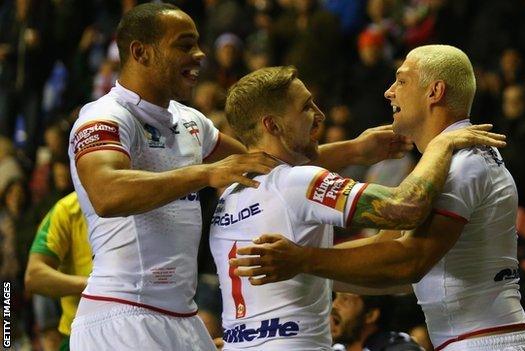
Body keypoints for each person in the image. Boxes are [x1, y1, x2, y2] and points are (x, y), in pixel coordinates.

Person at [67, 3, 426, 350]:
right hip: (121, 315)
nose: (200, 54)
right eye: (184, 45)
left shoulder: (191, 122)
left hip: (183, 318)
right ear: (140, 52)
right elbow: (106, 193)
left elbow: (269, 165)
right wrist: (206, 173)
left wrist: (354, 151)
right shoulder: (105, 117)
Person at [232, 45, 525, 351]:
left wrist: (303, 259)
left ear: (434, 92)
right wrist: (295, 269)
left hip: (485, 341)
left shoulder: (463, 162)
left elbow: (408, 262)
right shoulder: (450, 161)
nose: (389, 91)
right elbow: (385, 251)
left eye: (402, 80)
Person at [24, 192, 91, 351]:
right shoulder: (67, 209)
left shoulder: (140, 200)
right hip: (80, 335)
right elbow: (34, 276)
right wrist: (96, 285)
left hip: (138, 329)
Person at [331, 292, 425, 351]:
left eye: (345, 299)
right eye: (335, 298)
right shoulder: (335, 348)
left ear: (370, 315)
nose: (334, 305)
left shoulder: (400, 348)